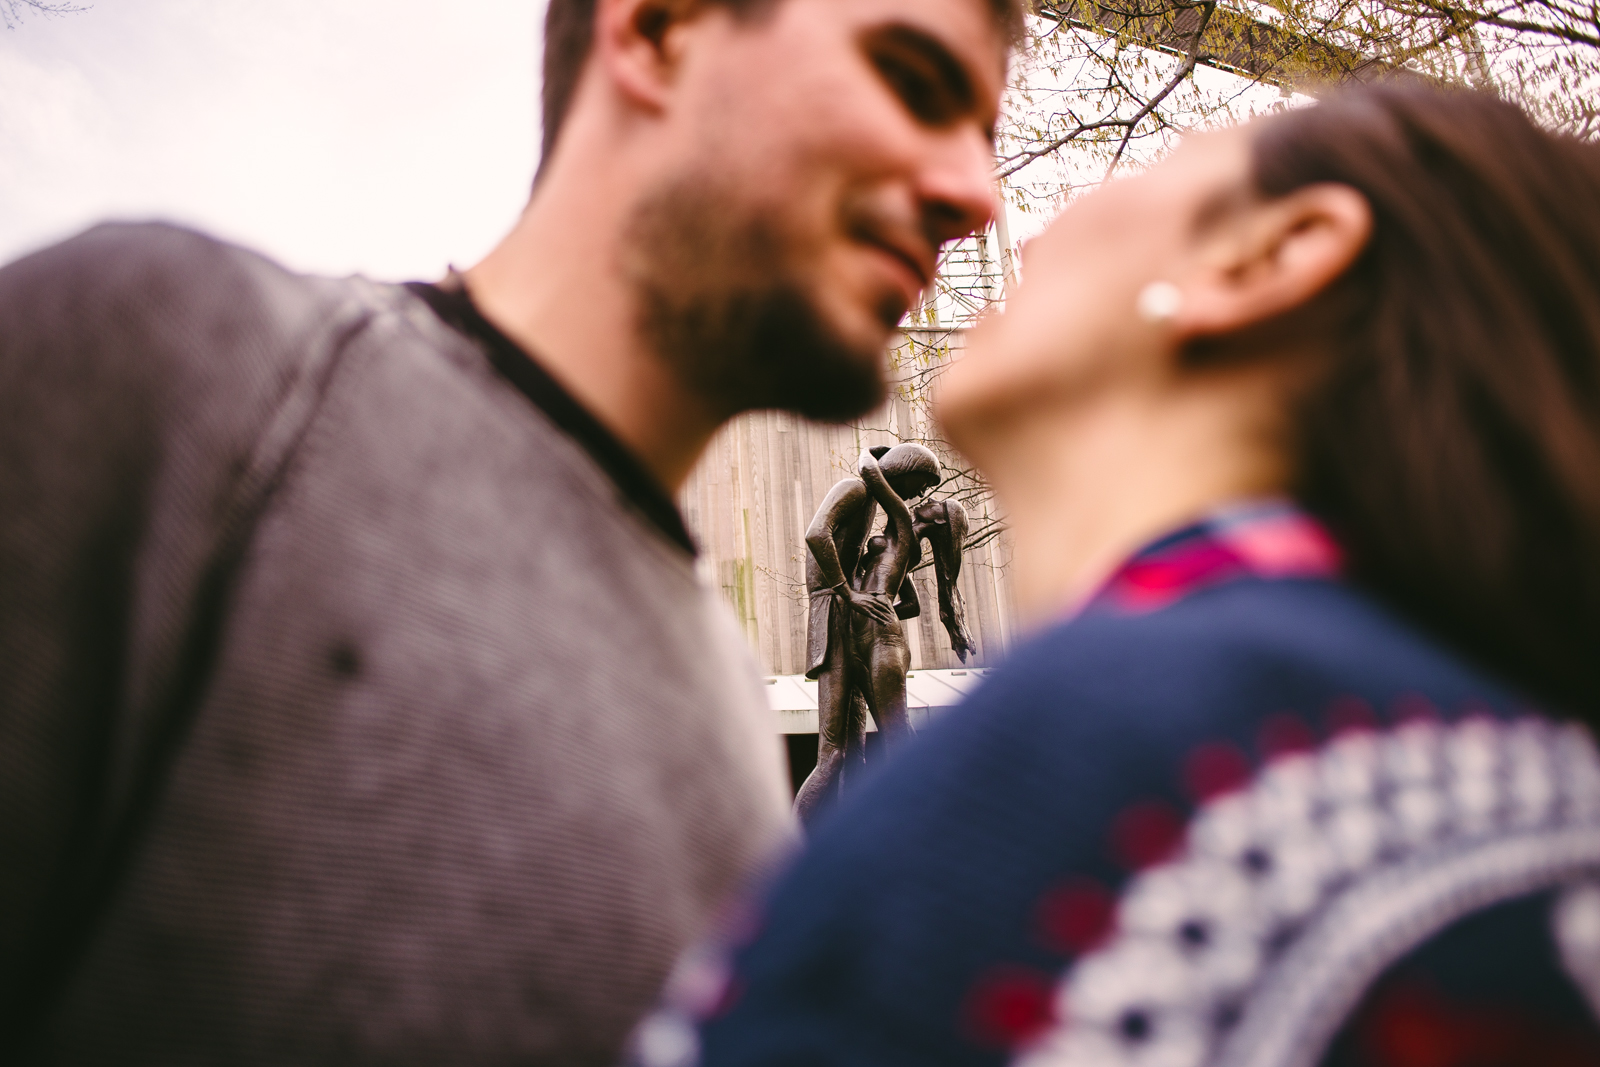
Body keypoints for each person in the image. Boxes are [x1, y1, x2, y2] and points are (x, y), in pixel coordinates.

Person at [0, 0, 1023, 1062]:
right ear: (660, 30)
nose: (973, 194)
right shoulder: (182, 370)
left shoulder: (725, 719)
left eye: (985, 137)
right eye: (910, 80)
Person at [680, 83, 1600, 1067]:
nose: (992, 215)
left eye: (1156, 167)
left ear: (1270, 258)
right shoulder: (1483, 737)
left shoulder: (1096, 763)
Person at [796, 442, 971, 822]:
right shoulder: (859, 491)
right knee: (841, 751)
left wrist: (866, 600)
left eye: (928, 494)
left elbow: (872, 473)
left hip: (859, 622)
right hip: (842, 612)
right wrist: (852, 594)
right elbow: (816, 534)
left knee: (858, 747)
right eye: (921, 483)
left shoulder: (895, 520)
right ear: (904, 469)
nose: (921, 495)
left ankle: (919, 816)